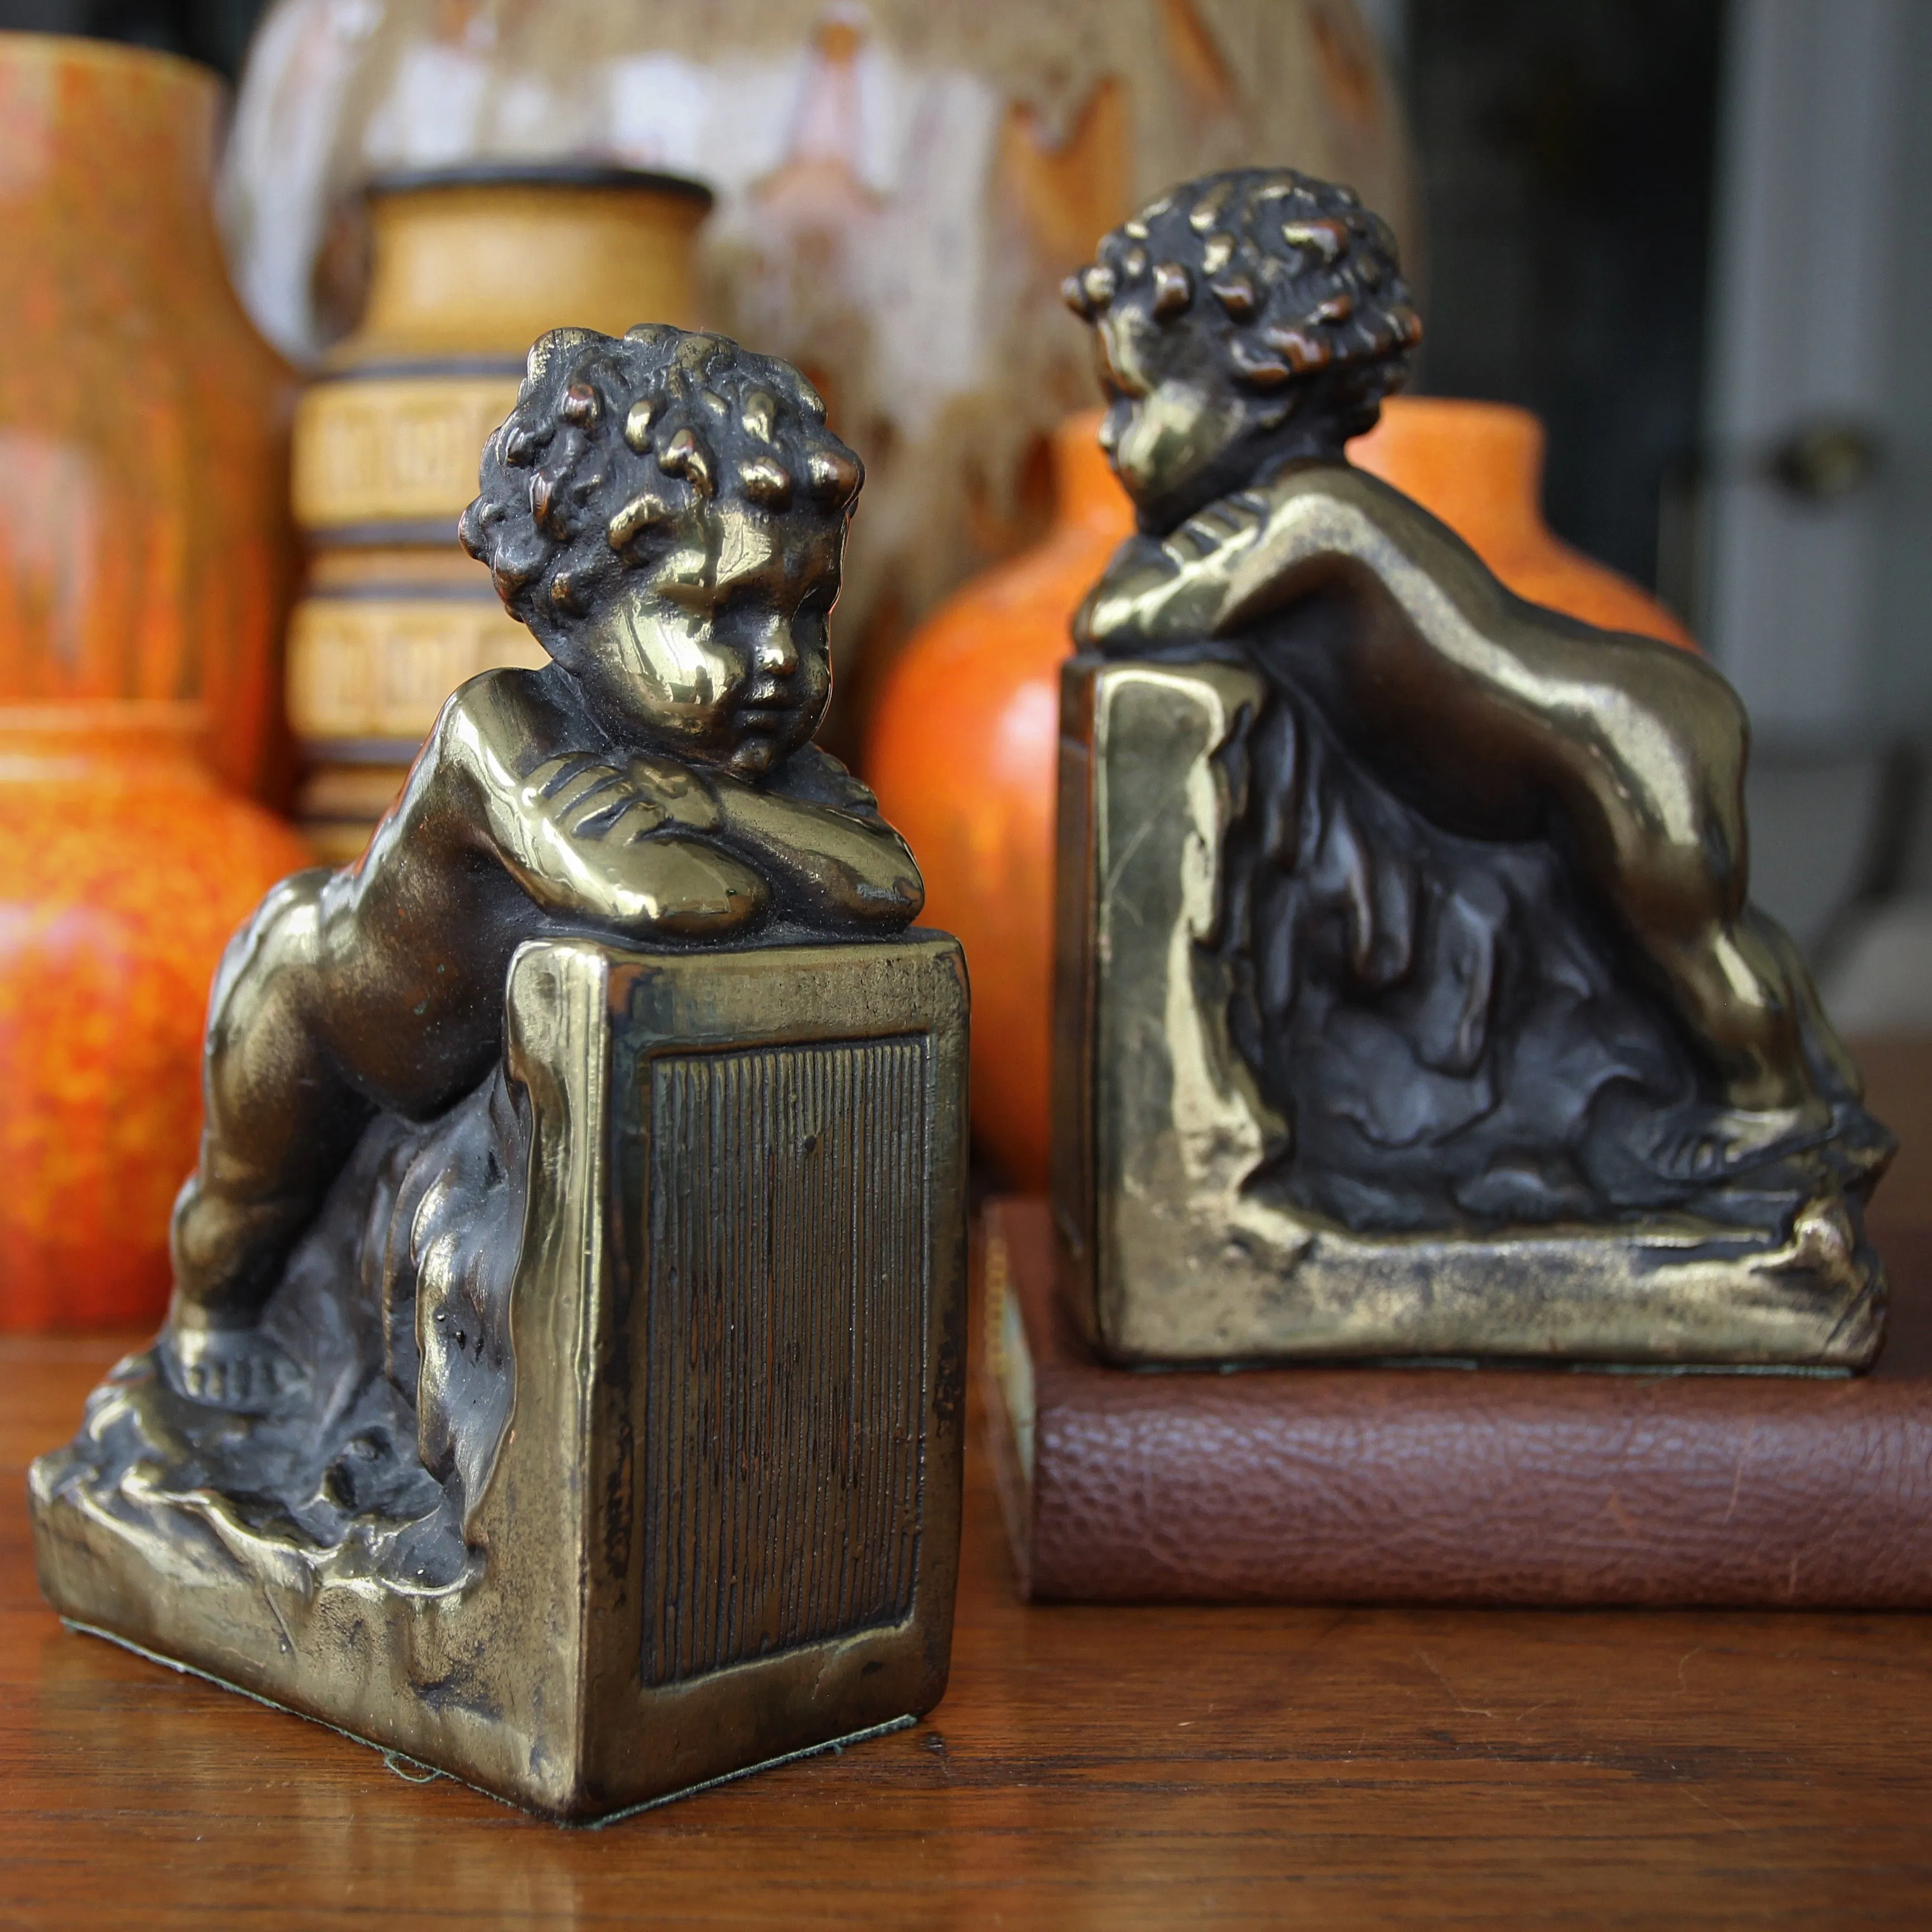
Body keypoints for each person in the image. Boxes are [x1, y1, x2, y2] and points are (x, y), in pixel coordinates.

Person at [1064, 168, 1867, 1223]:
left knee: (1686, 937)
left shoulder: (1318, 518)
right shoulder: (1283, 514)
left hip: (1611, 731)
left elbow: (1127, 616)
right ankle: (1787, 1099)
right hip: (1566, 744)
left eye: (1134, 398)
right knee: (1686, 936)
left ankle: (1780, 1113)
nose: (1106, 437)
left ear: (1265, 384)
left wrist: (1136, 569)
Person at [165, 324, 922, 1407]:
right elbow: (671, 896)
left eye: (809, 612)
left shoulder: (754, 762)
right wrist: (764, 832)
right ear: (577, 599)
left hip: (485, 1051)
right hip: (329, 1008)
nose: (776, 663)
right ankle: (205, 1325)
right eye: (719, 611)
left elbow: (889, 889)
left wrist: (708, 801)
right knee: (245, 1202)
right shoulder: (501, 730)